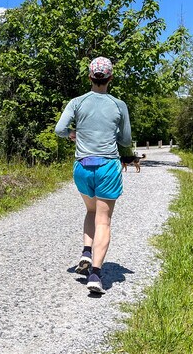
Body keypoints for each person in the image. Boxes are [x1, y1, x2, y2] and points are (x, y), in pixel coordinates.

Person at [54, 56, 131, 294]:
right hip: (108, 166)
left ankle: (86, 251)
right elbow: (126, 140)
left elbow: (60, 129)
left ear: (90, 77)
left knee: (90, 210)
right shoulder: (119, 105)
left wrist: (72, 135)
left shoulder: (77, 102)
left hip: (83, 167)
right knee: (104, 220)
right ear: (110, 78)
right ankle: (96, 274)